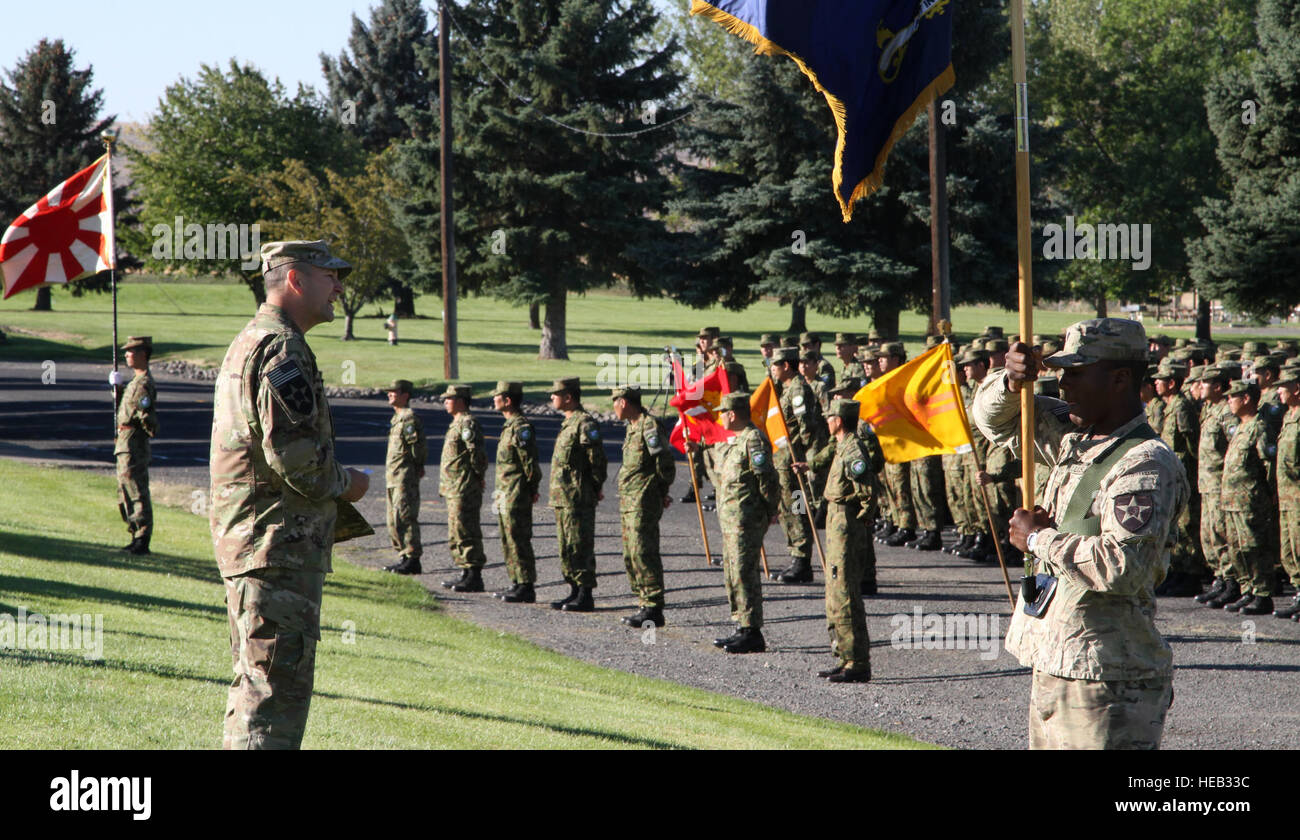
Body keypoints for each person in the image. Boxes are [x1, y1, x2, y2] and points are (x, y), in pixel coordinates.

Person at [971, 318, 1188, 749]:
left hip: (1106, 678)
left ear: (1119, 378)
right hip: (1058, 661)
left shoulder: (1144, 464)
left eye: (1075, 372)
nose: (1062, 383)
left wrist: (1038, 540)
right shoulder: (1073, 437)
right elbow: (990, 420)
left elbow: (1123, 568)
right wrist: (1012, 381)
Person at [210, 239, 371, 750]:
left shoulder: (252, 340)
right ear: (296, 280)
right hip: (276, 548)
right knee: (275, 694)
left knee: (257, 684)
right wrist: (351, 483)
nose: (340, 288)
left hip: (259, 545)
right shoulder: (281, 348)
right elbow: (297, 458)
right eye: (330, 277)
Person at [798, 398, 874, 681]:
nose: (826, 421)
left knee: (845, 593)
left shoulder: (853, 448)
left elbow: (867, 491)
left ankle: (857, 662)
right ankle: (844, 656)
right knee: (834, 591)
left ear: (838, 420)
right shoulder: (841, 446)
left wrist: (859, 521)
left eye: (830, 417)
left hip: (845, 522)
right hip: (836, 519)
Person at [702, 392, 779, 653]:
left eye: (722, 412)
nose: (720, 417)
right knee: (732, 572)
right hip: (730, 521)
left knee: (745, 572)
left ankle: (753, 631)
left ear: (732, 414)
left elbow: (766, 479)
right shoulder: (733, 441)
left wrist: (770, 511)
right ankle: (741, 625)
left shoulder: (753, 440)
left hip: (746, 520)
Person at [612, 385, 676, 628]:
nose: (613, 408)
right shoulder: (632, 427)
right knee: (631, 553)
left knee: (643, 551)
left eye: (615, 402)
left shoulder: (649, 426)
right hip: (629, 501)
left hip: (643, 500)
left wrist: (661, 491)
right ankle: (643, 602)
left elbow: (664, 462)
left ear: (624, 402)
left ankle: (653, 606)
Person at [548, 377, 608, 612]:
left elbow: (597, 461)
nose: (552, 398)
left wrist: (592, 487)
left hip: (578, 496)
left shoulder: (585, 424)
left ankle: (585, 593)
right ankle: (573, 589)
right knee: (566, 546)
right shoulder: (568, 424)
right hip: (563, 497)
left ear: (569, 397)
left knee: (579, 544)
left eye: (555, 394)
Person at [1217, 380, 1277, 615]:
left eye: (1234, 396)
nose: (1229, 400)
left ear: (1247, 399)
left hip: (1250, 499)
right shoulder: (1241, 427)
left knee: (1254, 547)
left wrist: (1270, 494)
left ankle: (1262, 594)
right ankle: (1247, 589)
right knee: (1236, 548)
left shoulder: (1259, 427)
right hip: (1232, 500)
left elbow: (1269, 465)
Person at [768, 346, 825, 583]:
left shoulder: (798, 389)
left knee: (798, 508)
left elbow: (807, 426)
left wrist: (802, 453)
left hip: (794, 461)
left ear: (786, 366)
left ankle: (803, 560)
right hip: (783, 461)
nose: (772, 369)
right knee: (787, 508)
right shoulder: (786, 388)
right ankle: (796, 556)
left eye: (775, 365)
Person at [1152, 361, 1205, 595]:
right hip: (1171, 472)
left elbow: (1192, 443)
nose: (1155, 383)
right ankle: (1177, 571)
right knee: (1175, 524)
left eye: (1160, 379)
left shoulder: (1181, 406)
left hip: (1183, 472)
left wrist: (1191, 470)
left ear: (1171, 383)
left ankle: (1190, 575)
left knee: (1187, 524)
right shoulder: (1169, 406)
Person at [491, 381, 542, 603]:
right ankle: (516, 581)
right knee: (507, 538)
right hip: (504, 493)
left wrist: (531, 490)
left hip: (516, 493)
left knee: (518, 538)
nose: (494, 399)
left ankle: (526, 585)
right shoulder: (509, 426)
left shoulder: (521, 428)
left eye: (497, 396)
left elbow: (530, 464)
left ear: (508, 400)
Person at [438, 384, 488, 592]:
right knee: (456, 531)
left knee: (466, 529)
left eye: (449, 399)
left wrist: (476, 477)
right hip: (453, 487)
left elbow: (476, 454)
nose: (446, 402)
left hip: (464, 487)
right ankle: (465, 572)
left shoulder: (467, 423)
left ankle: (474, 575)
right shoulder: (456, 423)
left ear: (460, 401)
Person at [114, 335, 159, 555]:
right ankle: (134, 533)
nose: (126, 355)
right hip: (125, 441)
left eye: (130, 352)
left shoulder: (144, 383)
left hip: (134, 443)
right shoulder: (135, 382)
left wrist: (144, 427)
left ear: (142, 355)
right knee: (125, 489)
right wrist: (119, 390)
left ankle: (142, 537)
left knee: (136, 489)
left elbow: (146, 415)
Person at [382, 379, 427, 575]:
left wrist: (417, 468)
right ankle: (403, 555)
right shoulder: (397, 418)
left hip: (404, 477)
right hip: (393, 476)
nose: (390, 394)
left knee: (405, 516)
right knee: (393, 518)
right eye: (389, 392)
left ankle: (412, 558)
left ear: (405, 395)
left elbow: (417, 449)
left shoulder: (409, 419)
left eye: (394, 392)